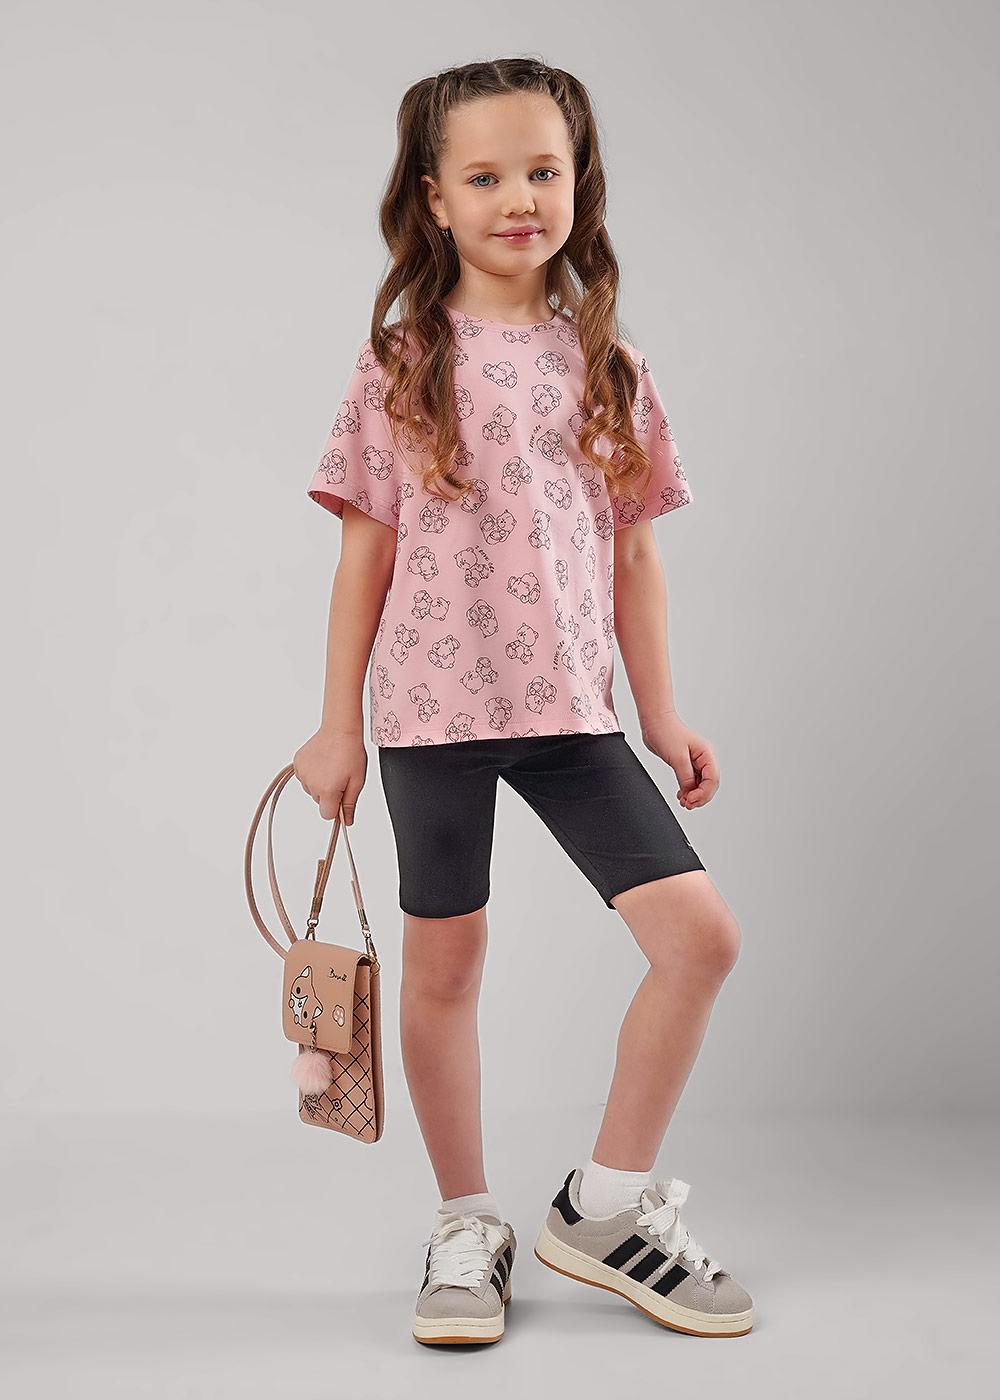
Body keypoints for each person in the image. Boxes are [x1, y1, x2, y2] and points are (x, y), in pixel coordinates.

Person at [293, 56, 753, 1345]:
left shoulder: (611, 366)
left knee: (700, 941)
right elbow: (363, 556)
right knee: (446, 968)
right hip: (430, 719)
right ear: (432, 198)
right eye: (485, 176)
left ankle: (602, 1207)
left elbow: (634, 558)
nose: (518, 199)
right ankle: (466, 1222)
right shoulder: (400, 363)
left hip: (573, 716)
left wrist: (660, 715)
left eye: (543, 171)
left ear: (579, 184)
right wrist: (337, 724)